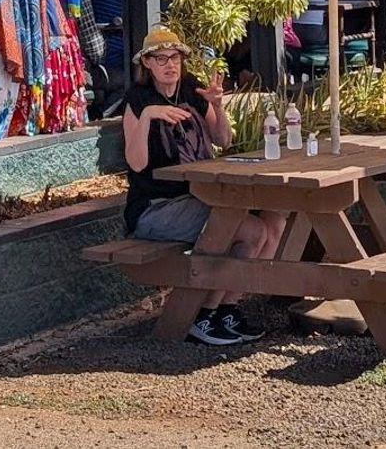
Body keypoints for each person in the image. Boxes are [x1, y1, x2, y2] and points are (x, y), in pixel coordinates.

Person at [122, 27, 284, 347]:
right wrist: (148, 117)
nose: (170, 64)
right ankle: (202, 315)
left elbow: (223, 139)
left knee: (274, 220)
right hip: (156, 208)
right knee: (249, 230)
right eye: (160, 58)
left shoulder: (191, 88)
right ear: (147, 63)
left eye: (175, 57)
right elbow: (137, 164)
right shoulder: (138, 100)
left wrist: (218, 106)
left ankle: (227, 308)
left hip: (198, 195)